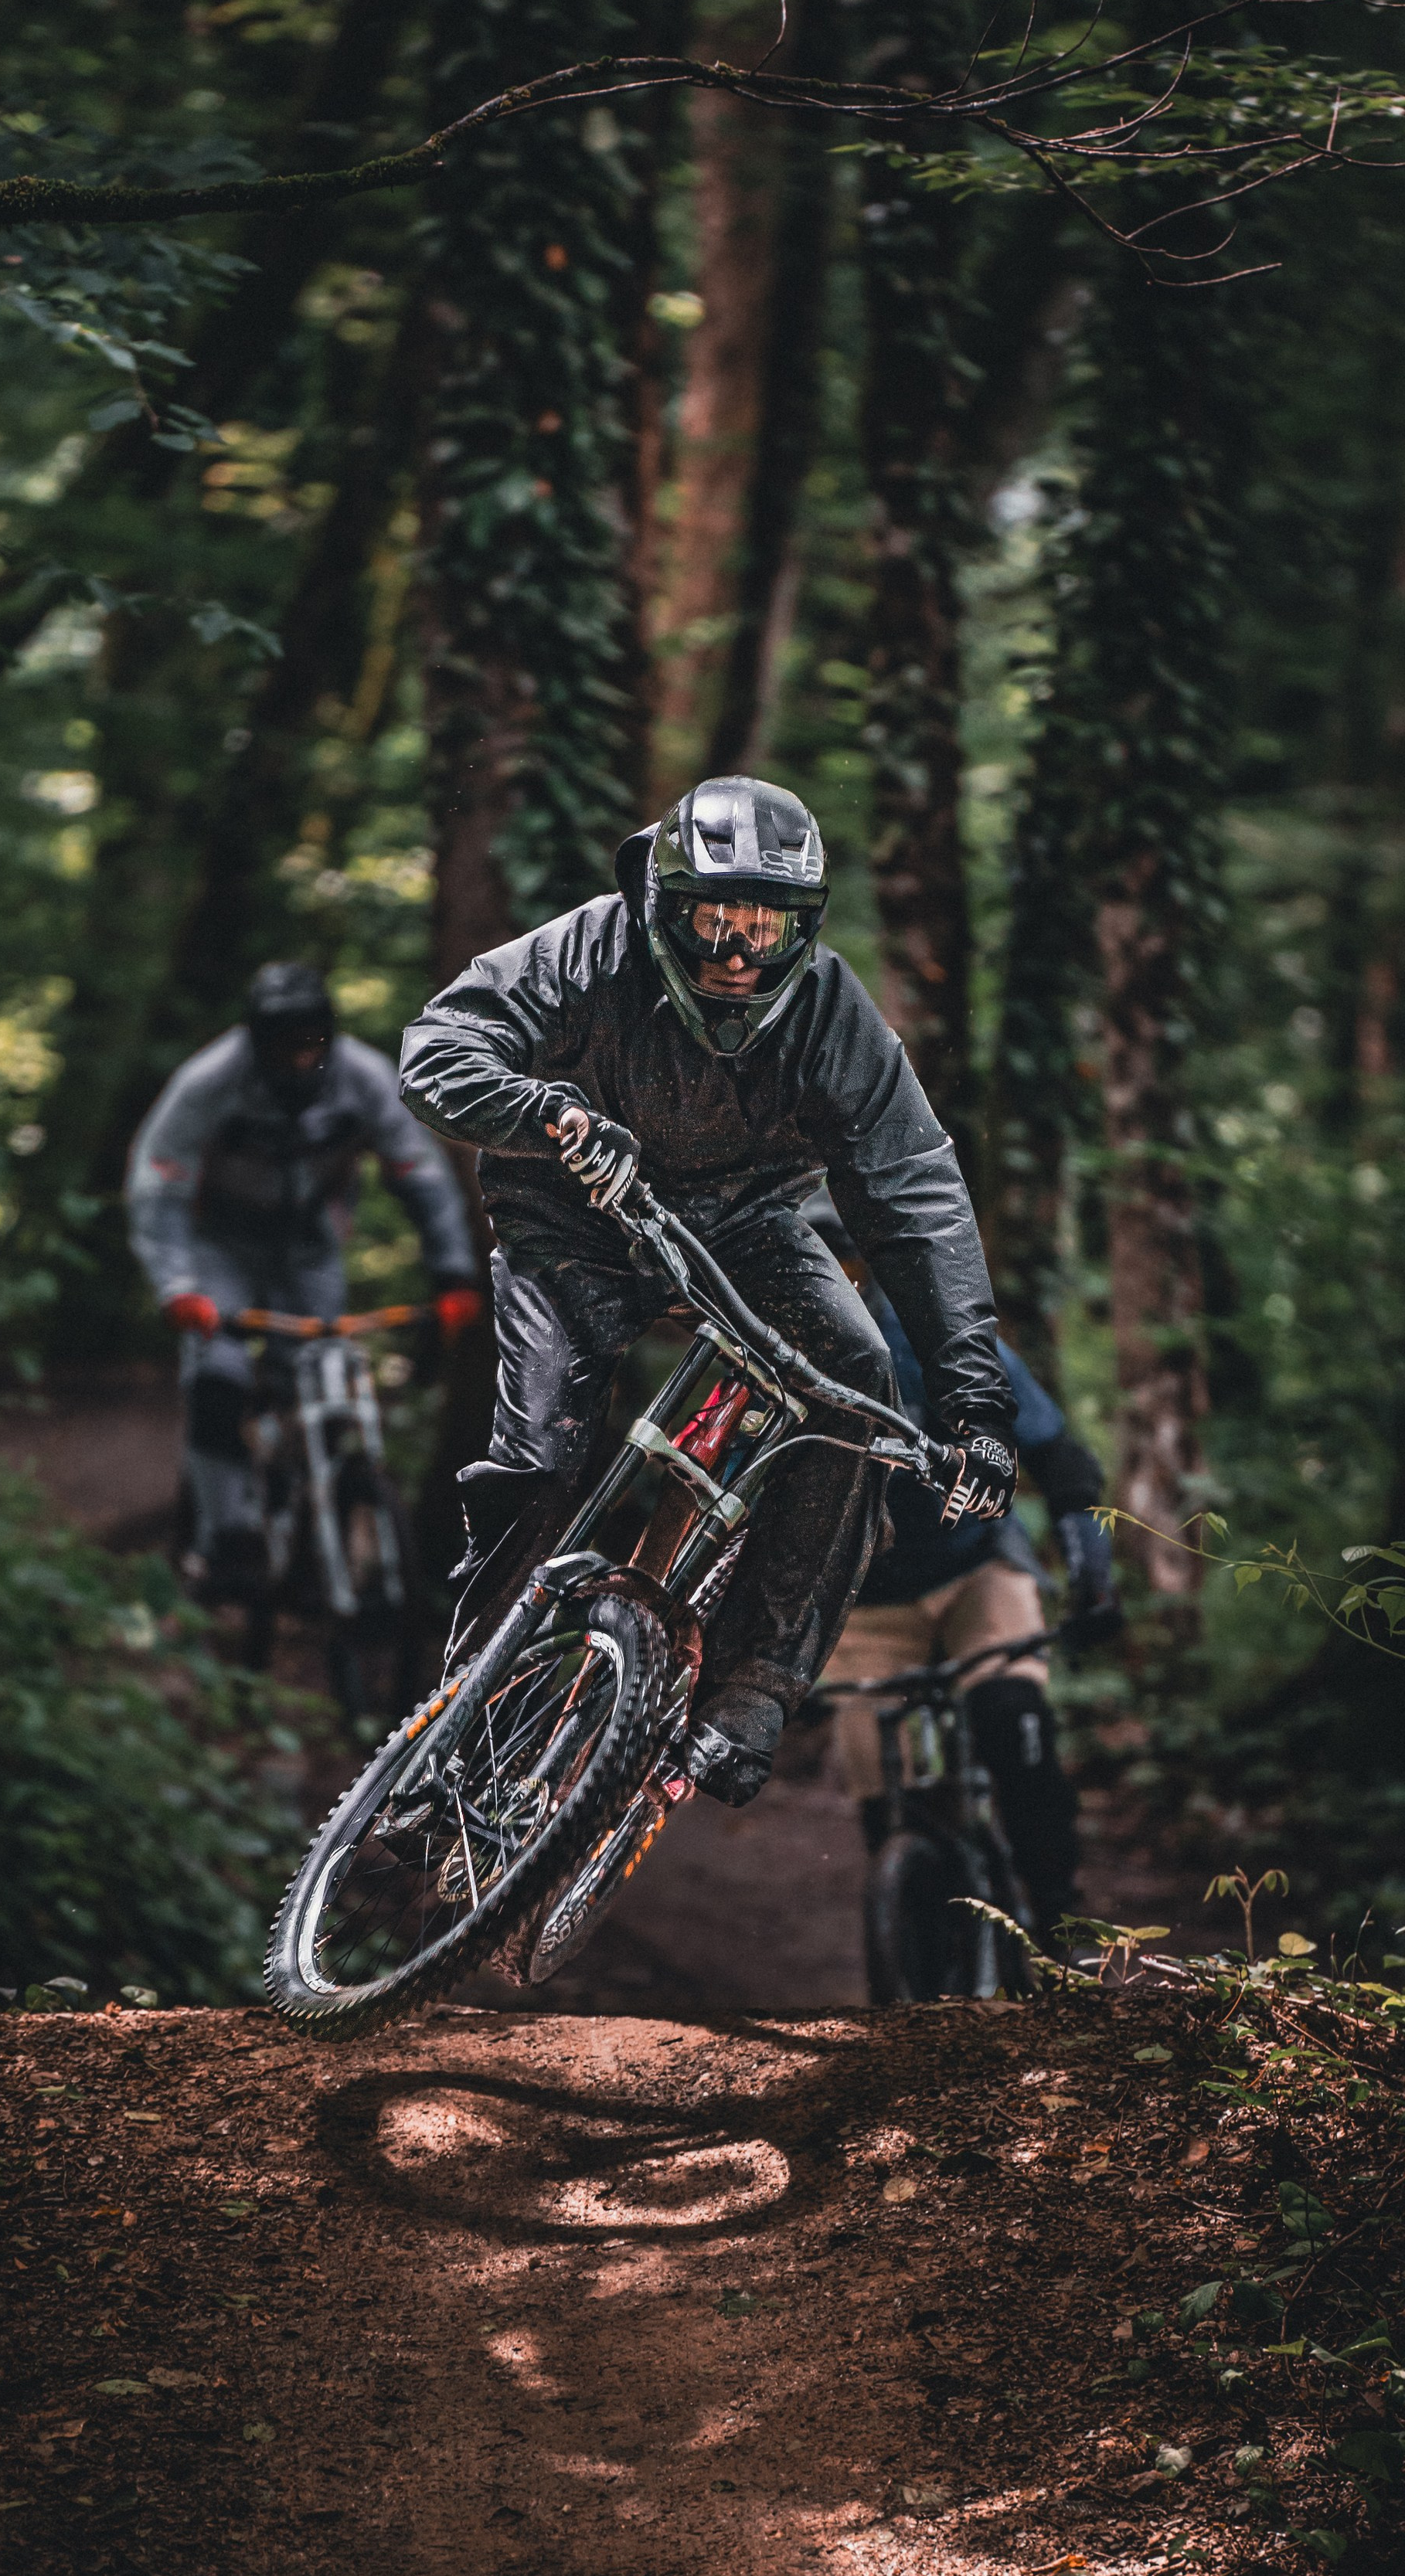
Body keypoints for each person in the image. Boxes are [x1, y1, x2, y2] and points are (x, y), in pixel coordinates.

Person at [398, 772, 1016, 1807]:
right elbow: (439, 1048)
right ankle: (464, 1727)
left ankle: (752, 1691)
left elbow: (918, 1196)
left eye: (767, 930)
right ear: (664, 906)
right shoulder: (587, 949)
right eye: (715, 923)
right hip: (571, 1212)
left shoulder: (828, 1009)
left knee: (856, 1385)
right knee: (544, 1458)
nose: (738, 955)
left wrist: (976, 1405)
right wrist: (542, 1112)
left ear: (804, 929)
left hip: (747, 1224)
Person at [812, 1196, 1121, 1949]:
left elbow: (1060, 1457)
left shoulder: (935, 1333)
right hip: (865, 1597)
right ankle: (925, 1955)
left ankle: (1059, 1922)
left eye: (849, 1263)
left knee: (1013, 1723)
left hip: (975, 1568)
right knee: (888, 1798)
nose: (838, 1280)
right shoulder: (776, 1355)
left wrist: (1092, 1569)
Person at [125, 961, 481, 1599]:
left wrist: (452, 1273)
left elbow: (419, 1174)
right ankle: (226, 1539)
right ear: (255, 1040)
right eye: (281, 1046)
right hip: (221, 1248)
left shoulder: (366, 1079)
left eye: (310, 1043)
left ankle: (312, 1523)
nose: (296, 1061)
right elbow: (161, 1182)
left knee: (319, 1374)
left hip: (310, 1247)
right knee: (219, 1376)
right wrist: (177, 1285)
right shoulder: (210, 1081)